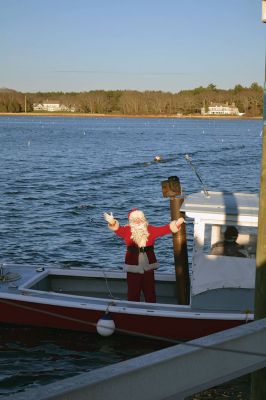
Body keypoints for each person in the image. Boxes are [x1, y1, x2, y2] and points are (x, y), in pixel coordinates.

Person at [103, 208, 184, 303]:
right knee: (133, 292)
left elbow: (164, 229)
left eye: (139, 219)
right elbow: (118, 229)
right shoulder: (126, 230)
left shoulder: (150, 229)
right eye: (135, 219)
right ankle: (133, 311)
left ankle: (152, 310)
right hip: (133, 267)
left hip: (148, 267)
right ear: (131, 221)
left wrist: (177, 224)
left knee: (150, 291)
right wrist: (112, 222)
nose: (137, 221)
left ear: (143, 219)